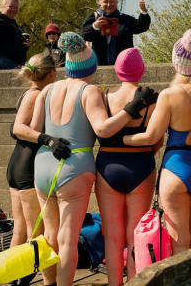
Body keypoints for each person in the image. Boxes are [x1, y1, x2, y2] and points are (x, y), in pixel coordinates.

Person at [30, 33, 154, 286]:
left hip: (43, 164)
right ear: (91, 66)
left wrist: (50, 140)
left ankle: (48, 283)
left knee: (50, 235)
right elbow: (103, 130)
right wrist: (132, 108)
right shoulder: (89, 91)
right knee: (67, 238)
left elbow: (33, 130)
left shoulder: (47, 90)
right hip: (74, 168)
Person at [124, 29, 191, 253]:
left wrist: (123, 138)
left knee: (178, 241)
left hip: (176, 168)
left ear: (175, 62)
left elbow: (151, 137)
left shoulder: (169, 95)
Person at [95, 47, 158, 284]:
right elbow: (156, 141)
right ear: (140, 70)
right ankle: (134, 282)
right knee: (135, 235)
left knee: (112, 235)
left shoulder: (104, 96)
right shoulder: (152, 99)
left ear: (117, 71)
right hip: (141, 164)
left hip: (108, 165)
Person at [6, 53, 61, 286]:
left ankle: (13, 278)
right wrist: (47, 139)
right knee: (35, 233)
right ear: (51, 73)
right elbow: (19, 128)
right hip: (27, 168)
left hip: (17, 164)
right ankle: (24, 281)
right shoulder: (36, 95)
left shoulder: (28, 93)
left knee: (20, 229)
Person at [81, 0, 150, 66]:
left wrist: (143, 11)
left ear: (116, 2)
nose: (109, 5)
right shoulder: (94, 17)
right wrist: (95, 26)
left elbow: (142, 27)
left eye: (112, 2)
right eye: (105, 2)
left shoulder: (124, 19)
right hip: (100, 66)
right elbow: (85, 35)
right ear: (100, 3)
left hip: (124, 66)